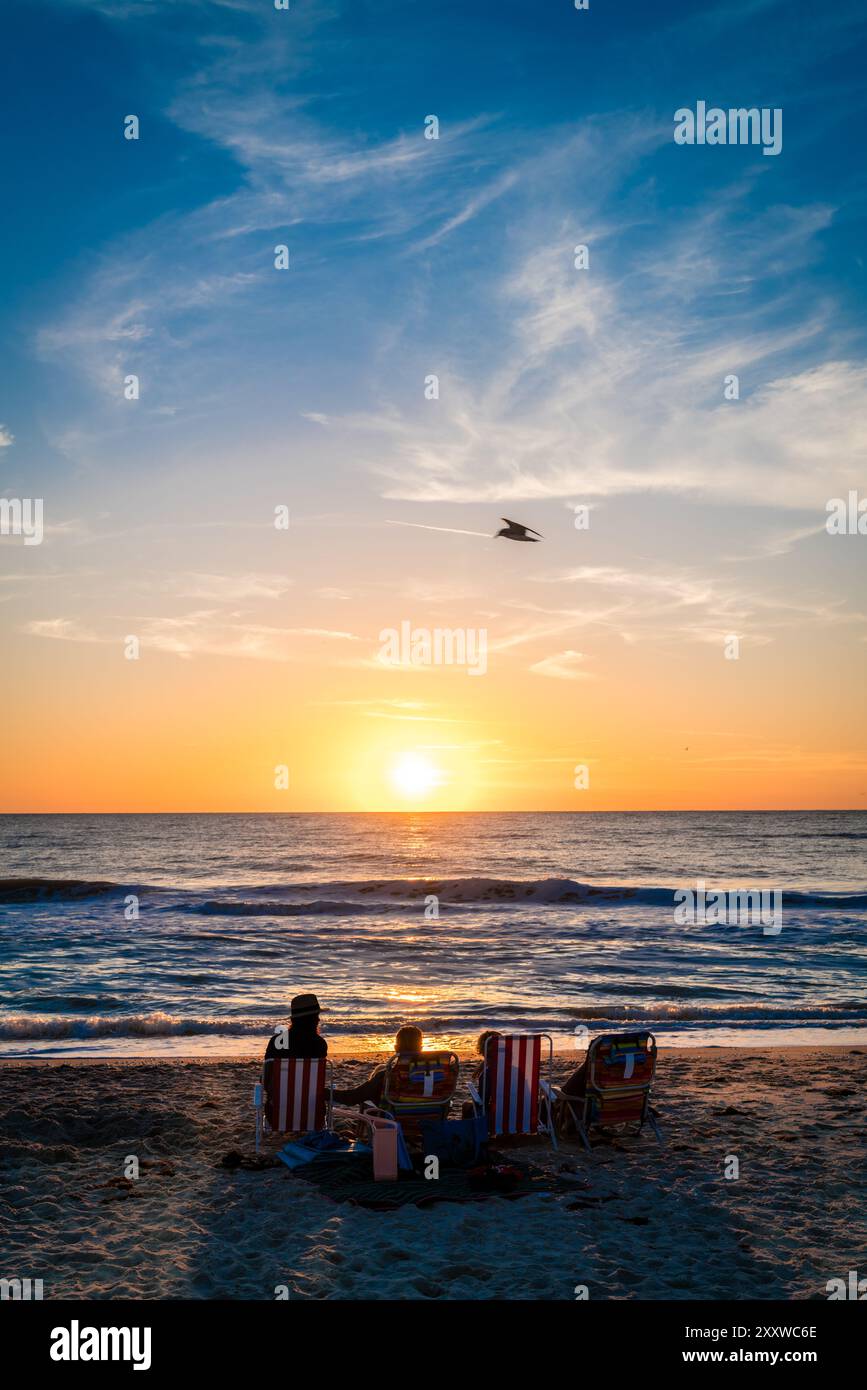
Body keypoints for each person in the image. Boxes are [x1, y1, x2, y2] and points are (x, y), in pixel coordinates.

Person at [332, 1024, 423, 1108]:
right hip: (429, 1119)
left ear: (396, 1048)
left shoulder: (386, 1076)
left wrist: (326, 1092)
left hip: (394, 1120)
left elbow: (352, 1098)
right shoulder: (435, 1075)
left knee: (367, 1099)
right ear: (421, 1048)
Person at [264, 993, 327, 1062]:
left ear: (293, 1019)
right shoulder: (319, 1044)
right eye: (316, 1016)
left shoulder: (277, 1041)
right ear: (311, 1020)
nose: (318, 1019)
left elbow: (268, 1069)